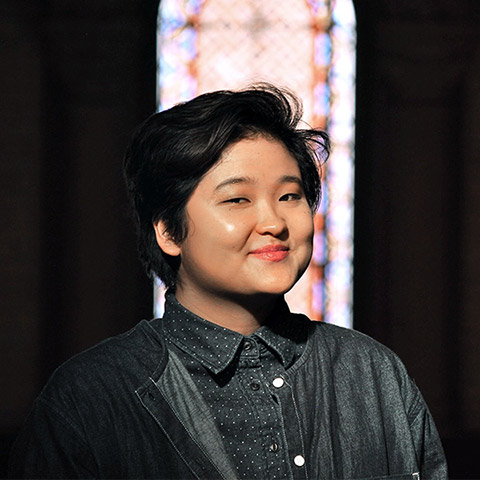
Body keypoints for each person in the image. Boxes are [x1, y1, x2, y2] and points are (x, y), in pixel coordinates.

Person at [9, 84, 447, 479]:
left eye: (289, 196)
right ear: (167, 230)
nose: (274, 221)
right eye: (237, 199)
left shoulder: (373, 374)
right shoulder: (90, 396)